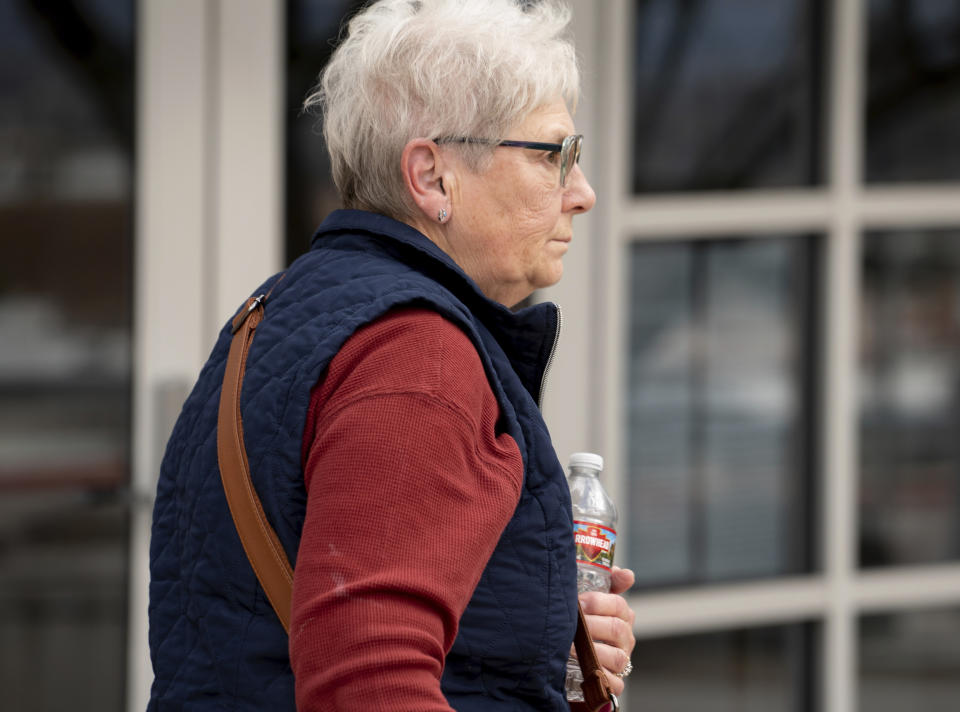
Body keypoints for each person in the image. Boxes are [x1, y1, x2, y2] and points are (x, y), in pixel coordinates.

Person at [147, 1, 636, 710]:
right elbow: (369, 680)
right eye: (553, 155)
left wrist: (539, 631)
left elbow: (275, 619)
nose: (582, 195)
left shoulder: (280, 311)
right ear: (433, 177)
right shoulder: (417, 359)